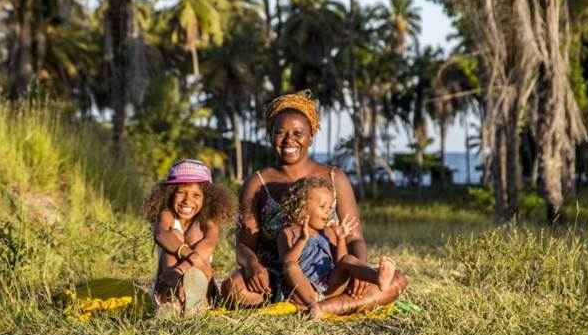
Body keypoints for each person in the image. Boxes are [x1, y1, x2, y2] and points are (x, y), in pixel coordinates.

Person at [220, 90, 407, 312]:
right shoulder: (258, 183)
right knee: (232, 287)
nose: (289, 140)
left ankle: (324, 307)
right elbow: (243, 245)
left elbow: (355, 238)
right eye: (280, 133)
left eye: (298, 133)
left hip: (332, 276)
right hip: (277, 278)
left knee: (398, 281)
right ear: (271, 136)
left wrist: (360, 271)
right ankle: (330, 305)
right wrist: (252, 266)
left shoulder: (334, 177)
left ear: (311, 136)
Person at [278, 176, 399, 319]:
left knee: (348, 259)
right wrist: (303, 239)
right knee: (291, 267)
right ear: (302, 208)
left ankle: (377, 277)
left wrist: (341, 238)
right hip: (305, 289)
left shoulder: (327, 232)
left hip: (331, 285)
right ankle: (313, 306)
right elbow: (287, 262)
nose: (328, 212)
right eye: (322, 207)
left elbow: (340, 262)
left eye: (330, 208)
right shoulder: (287, 233)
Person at [142, 159, 235, 316]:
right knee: (174, 236)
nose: (187, 200)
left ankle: (199, 301)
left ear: (207, 198)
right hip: (167, 281)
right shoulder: (167, 215)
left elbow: (209, 244)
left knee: (196, 232)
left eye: (196, 195)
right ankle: (171, 301)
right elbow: (161, 234)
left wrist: (181, 269)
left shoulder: (208, 221)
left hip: (199, 279)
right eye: (181, 193)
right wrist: (190, 258)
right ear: (170, 194)